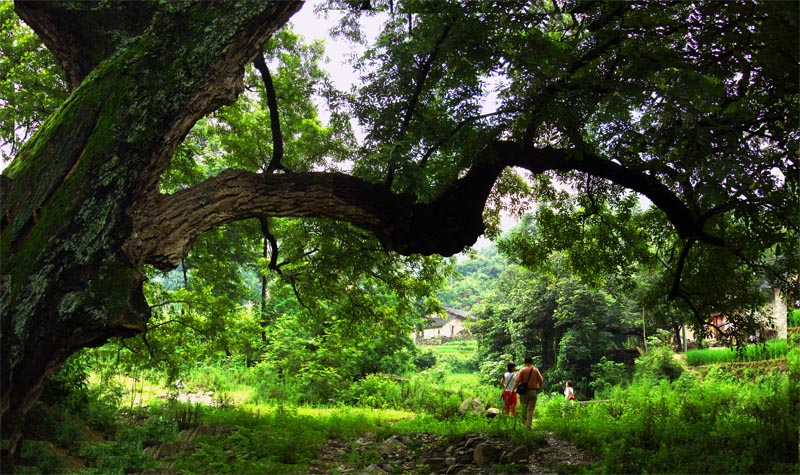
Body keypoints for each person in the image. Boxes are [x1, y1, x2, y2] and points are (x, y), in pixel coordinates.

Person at [512, 356, 544, 428]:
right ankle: (528, 425)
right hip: (533, 391)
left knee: (524, 408)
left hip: (524, 392)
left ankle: (523, 424)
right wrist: (539, 387)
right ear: (531, 362)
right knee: (530, 409)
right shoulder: (535, 370)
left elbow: (517, 381)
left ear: (525, 363)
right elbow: (541, 380)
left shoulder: (522, 370)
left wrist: (513, 390)